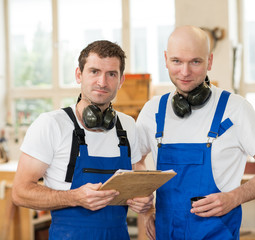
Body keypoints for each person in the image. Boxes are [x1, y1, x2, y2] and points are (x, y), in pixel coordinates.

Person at [136, 25, 255, 239]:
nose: (185, 72)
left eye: (195, 62)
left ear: (210, 61)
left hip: (217, 233)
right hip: (166, 233)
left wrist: (234, 197)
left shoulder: (236, 109)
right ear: (166, 59)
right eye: (177, 61)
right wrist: (147, 208)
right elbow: (137, 160)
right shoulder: (153, 110)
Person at [12, 40, 154, 240]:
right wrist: (74, 197)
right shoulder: (51, 124)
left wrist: (145, 200)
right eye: (94, 71)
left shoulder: (128, 125)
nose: (102, 82)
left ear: (121, 80)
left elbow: (137, 165)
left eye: (111, 74)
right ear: (79, 74)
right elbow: (20, 192)